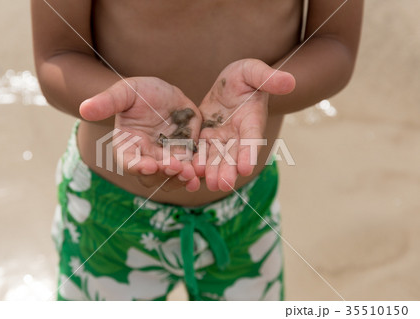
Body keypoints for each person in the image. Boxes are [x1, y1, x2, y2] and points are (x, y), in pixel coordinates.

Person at [31, 0, 363, 300]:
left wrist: (261, 94)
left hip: (246, 211)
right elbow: (58, 55)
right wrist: (125, 99)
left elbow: (334, 44)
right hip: (107, 214)